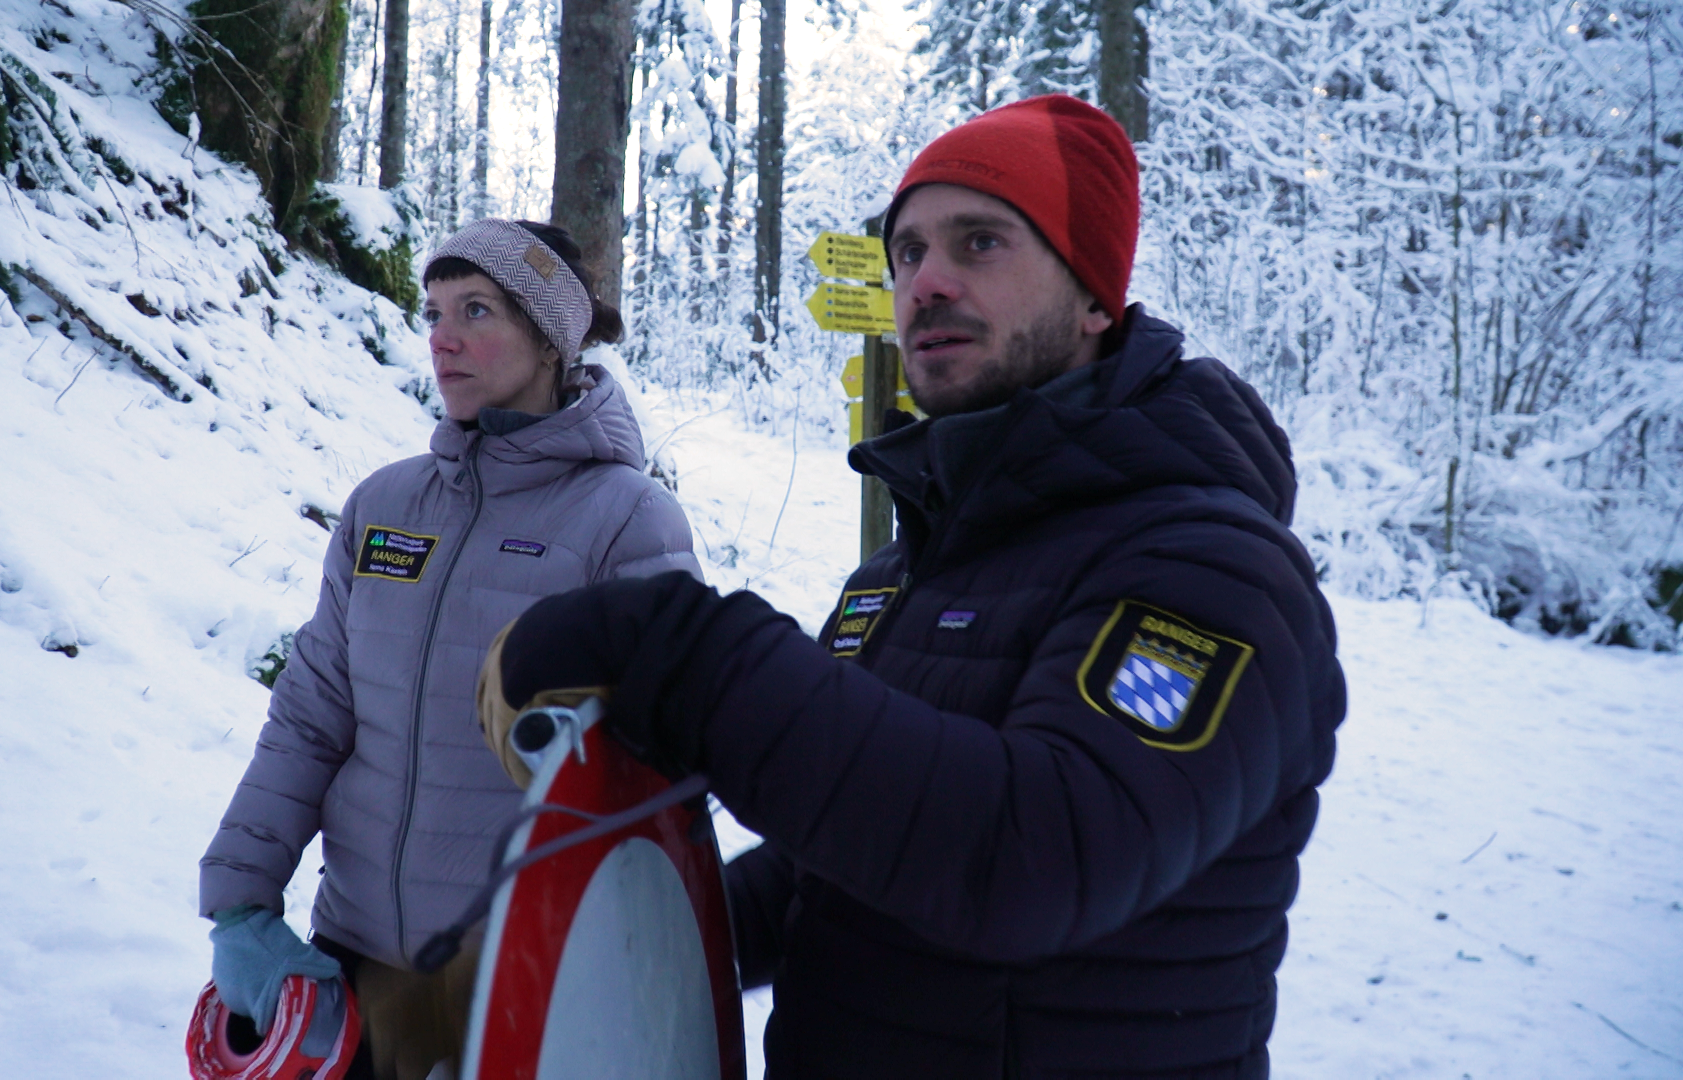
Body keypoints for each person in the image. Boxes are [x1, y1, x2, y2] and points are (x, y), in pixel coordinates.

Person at [480, 96, 1347, 1077]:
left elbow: (1027, 859)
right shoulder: (897, 578)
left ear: (1096, 295)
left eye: (980, 243)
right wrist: (571, 957)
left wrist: (686, 652)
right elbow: (841, 866)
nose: (927, 282)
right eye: (907, 253)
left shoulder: (1215, 572)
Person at [198, 218, 701, 1080]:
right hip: (353, 962)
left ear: (549, 340)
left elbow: (667, 768)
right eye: (433, 312)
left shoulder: (626, 519)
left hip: (531, 977)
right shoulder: (386, 506)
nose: (444, 338)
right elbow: (313, 716)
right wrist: (241, 898)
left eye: (477, 310)